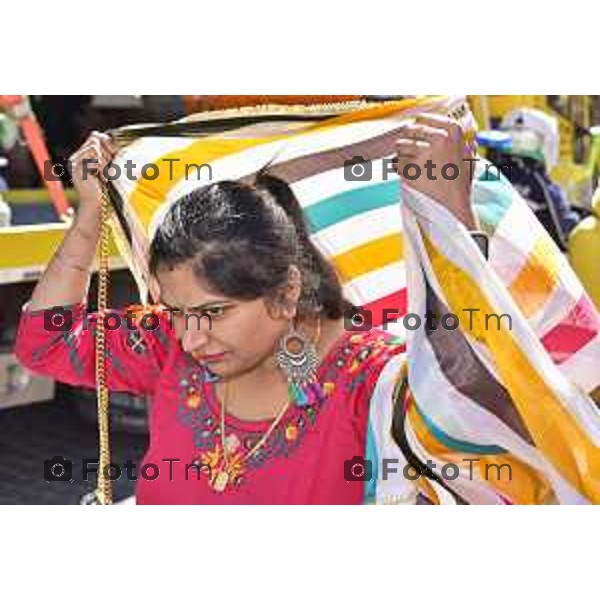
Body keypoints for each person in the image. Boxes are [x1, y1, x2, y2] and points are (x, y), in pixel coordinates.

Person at [13, 117, 493, 504]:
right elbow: (46, 343)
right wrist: (90, 216)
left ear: (286, 294)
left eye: (215, 312)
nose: (190, 338)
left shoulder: (366, 381)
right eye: (177, 311)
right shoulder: (166, 347)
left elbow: (470, 413)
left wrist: (454, 219)